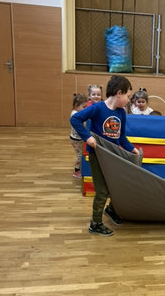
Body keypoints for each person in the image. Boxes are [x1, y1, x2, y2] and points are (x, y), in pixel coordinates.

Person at [70, 75, 139, 237]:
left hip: (112, 156)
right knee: (102, 191)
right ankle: (95, 224)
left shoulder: (121, 113)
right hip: (98, 156)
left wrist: (132, 149)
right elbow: (75, 119)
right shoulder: (97, 108)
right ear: (119, 93)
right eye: (128, 96)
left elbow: (121, 137)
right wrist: (87, 137)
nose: (128, 100)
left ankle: (111, 210)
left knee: (118, 185)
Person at [69, 93, 87, 178]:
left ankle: (79, 168)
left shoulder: (76, 112)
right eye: (83, 107)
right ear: (76, 105)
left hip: (76, 138)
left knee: (80, 153)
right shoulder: (75, 114)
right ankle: (76, 171)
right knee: (79, 154)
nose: (85, 109)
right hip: (76, 139)